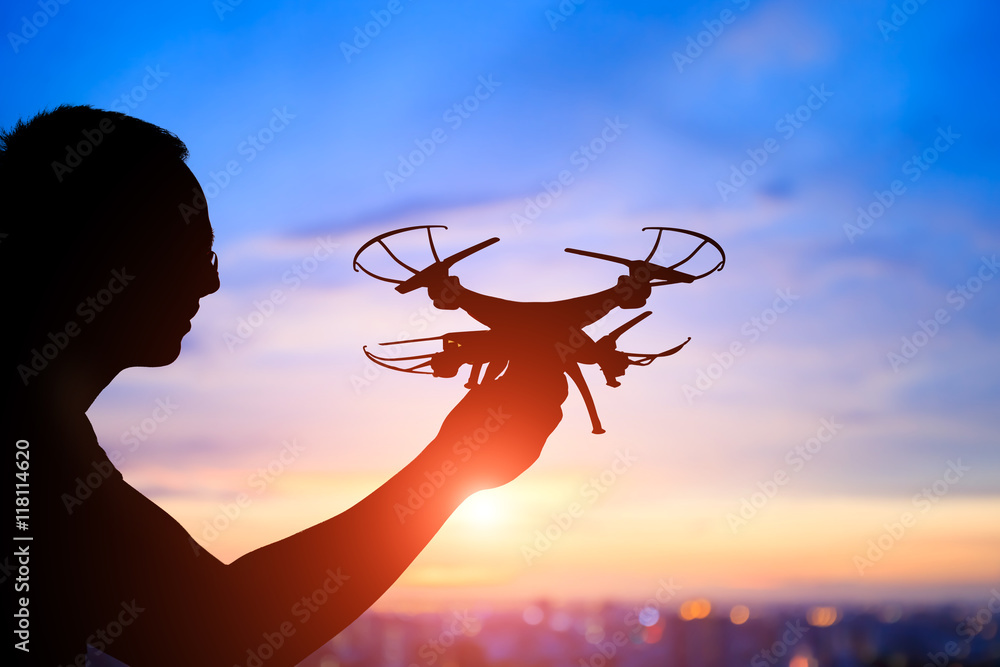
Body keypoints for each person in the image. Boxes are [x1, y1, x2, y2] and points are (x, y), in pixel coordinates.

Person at [1, 105, 567, 666]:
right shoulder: (32, 449)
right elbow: (222, 636)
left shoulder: (45, 433)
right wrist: (454, 467)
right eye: (187, 251)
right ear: (101, 252)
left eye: (212, 253)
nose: (210, 280)